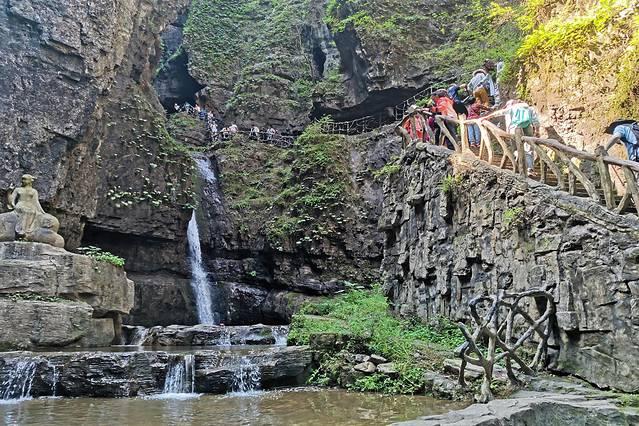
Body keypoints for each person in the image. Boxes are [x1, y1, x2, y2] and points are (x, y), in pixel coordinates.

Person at [504, 100, 540, 176]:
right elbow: (535, 120)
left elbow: (508, 121)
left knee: (515, 148)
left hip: (515, 129)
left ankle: (519, 165)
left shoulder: (511, 108)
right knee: (528, 148)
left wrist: (507, 133)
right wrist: (537, 131)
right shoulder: (529, 108)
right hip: (528, 127)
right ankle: (529, 168)